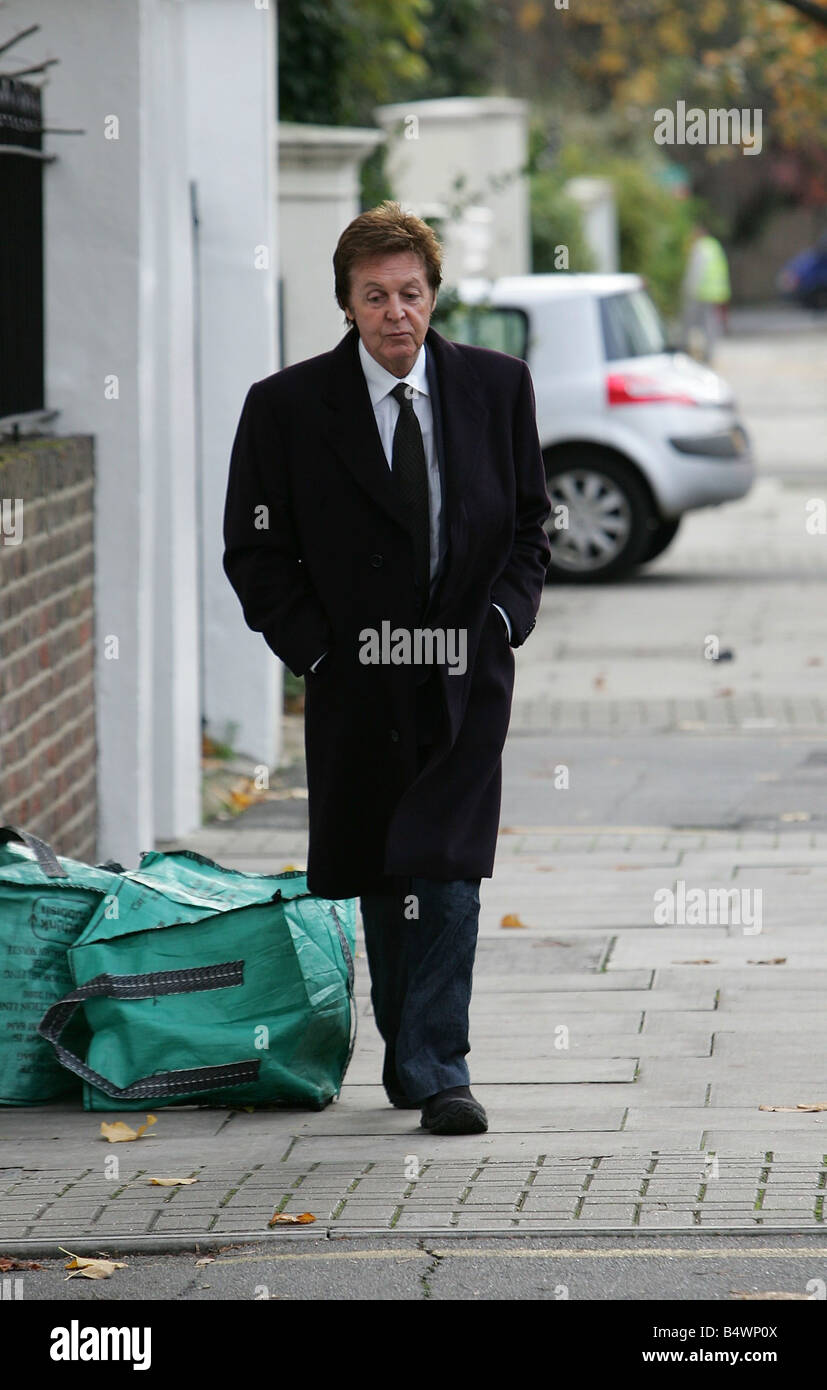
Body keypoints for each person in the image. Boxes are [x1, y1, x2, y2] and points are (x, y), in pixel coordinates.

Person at [222, 202, 551, 1135]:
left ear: (433, 295)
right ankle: (413, 1054)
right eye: (374, 296)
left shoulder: (497, 387)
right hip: (357, 676)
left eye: (409, 293)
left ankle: (440, 1069)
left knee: (447, 864)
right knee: (382, 862)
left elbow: (531, 524)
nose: (394, 312)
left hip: (461, 669)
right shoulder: (285, 407)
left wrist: (501, 621)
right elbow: (255, 551)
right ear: (346, 303)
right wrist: (319, 652)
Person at [682, 223, 731, 362]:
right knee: (710, 324)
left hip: (701, 293)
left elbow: (696, 272)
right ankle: (709, 353)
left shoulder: (700, 247)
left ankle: (688, 351)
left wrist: (688, 290)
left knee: (693, 324)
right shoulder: (714, 246)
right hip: (716, 293)